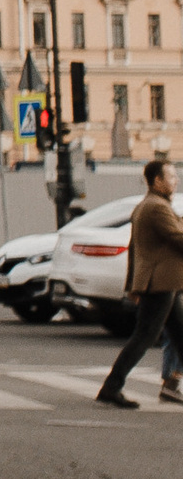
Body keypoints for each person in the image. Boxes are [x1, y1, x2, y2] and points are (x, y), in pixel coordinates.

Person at [96, 157, 183, 410]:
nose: (176, 181)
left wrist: (132, 285)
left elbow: (135, 249)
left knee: (179, 336)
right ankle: (111, 387)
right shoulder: (155, 207)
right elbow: (177, 238)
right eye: (172, 176)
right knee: (144, 337)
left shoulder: (155, 204)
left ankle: (113, 387)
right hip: (160, 284)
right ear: (157, 181)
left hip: (165, 283)